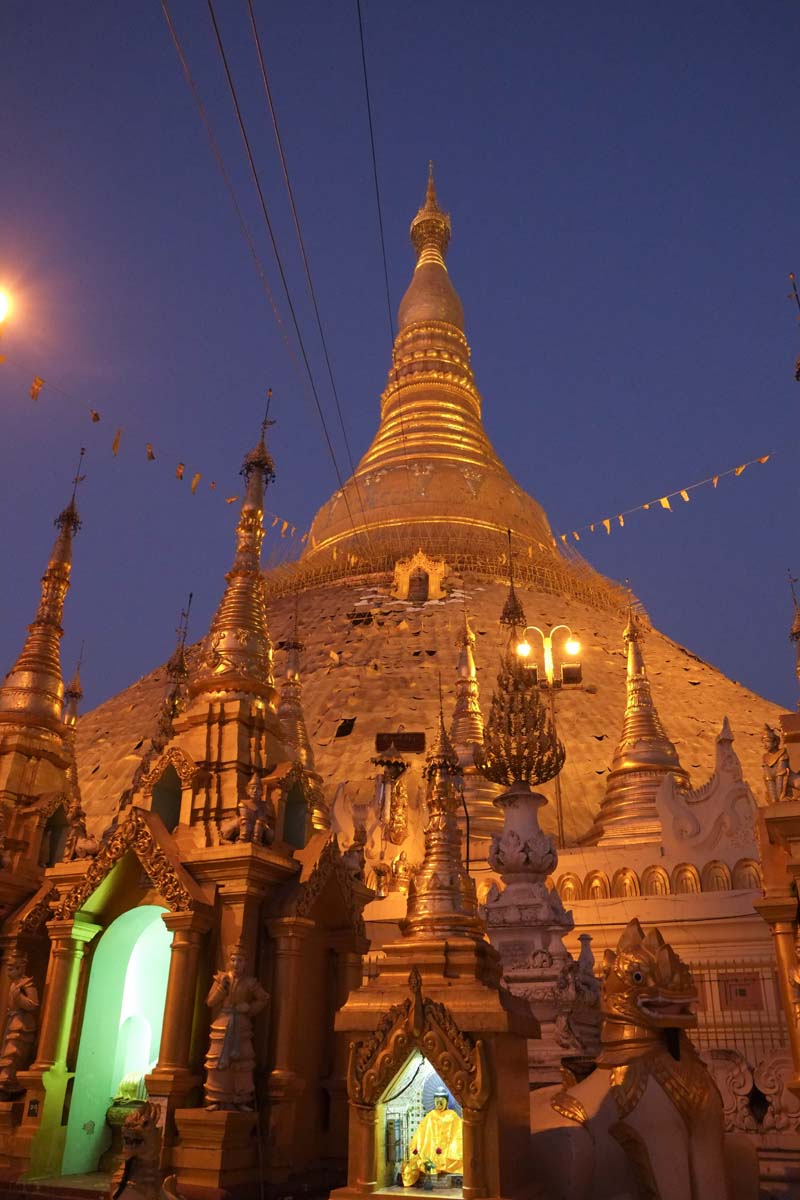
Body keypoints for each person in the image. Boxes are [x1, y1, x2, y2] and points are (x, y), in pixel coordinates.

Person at [203, 946, 269, 1110]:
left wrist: (249, 1007)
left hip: (241, 1026)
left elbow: (264, 998)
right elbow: (210, 1002)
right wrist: (221, 988)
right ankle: (216, 1098)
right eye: (233, 960)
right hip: (223, 1023)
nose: (236, 964)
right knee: (218, 1062)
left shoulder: (250, 982)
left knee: (242, 1064)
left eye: (240, 960)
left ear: (245, 963)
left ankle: (240, 1099)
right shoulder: (222, 978)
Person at [404, 1090, 463, 1184]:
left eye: (441, 1102)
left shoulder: (452, 1115)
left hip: (448, 1146)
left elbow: (458, 1133)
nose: (439, 1105)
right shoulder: (431, 1115)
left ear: (446, 1102)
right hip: (433, 1146)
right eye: (437, 1102)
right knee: (426, 1157)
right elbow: (422, 1132)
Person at [0, 953, 39, 1096]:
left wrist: (19, 997)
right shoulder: (13, 984)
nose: (8, 971)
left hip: (22, 1023)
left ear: (20, 968)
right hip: (12, 1020)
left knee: (14, 1052)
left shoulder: (27, 984)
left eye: (11, 968)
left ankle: (8, 1082)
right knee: (6, 1051)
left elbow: (33, 1004)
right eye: (8, 968)